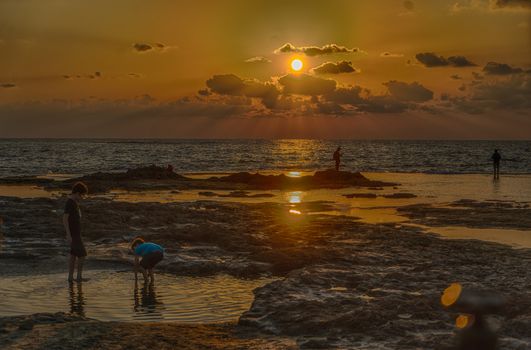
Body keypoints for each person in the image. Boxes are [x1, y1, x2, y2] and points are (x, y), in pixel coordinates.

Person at [63, 182, 89, 283]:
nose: (83, 197)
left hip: (76, 234)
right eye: (82, 195)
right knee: (82, 255)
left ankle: (70, 277)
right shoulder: (70, 202)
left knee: (73, 255)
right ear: (77, 193)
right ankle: (78, 277)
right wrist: (68, 234)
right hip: (74, 235)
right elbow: (65, 218)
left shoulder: (74, 203)